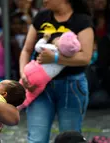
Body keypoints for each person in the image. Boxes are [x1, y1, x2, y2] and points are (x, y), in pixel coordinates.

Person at [19, 0, 94, 142]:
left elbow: (85, 57)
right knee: (36, 139)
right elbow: (27, 50)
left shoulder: (82, 21)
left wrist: (55, 59)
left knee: (70, 138)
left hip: (71, 85)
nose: (44, 0)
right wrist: (23, 74)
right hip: (39, 86)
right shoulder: (41, 17)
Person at [18, 31, 81, 109]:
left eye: (60, 39)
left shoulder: (53, 49)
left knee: (18, 88)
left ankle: (8, 102)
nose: (57, 38)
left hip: (32, 68)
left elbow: (38, 47)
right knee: (29, 96)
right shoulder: (67, 59)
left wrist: (45, 38)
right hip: (42, 79)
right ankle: (17, 108)